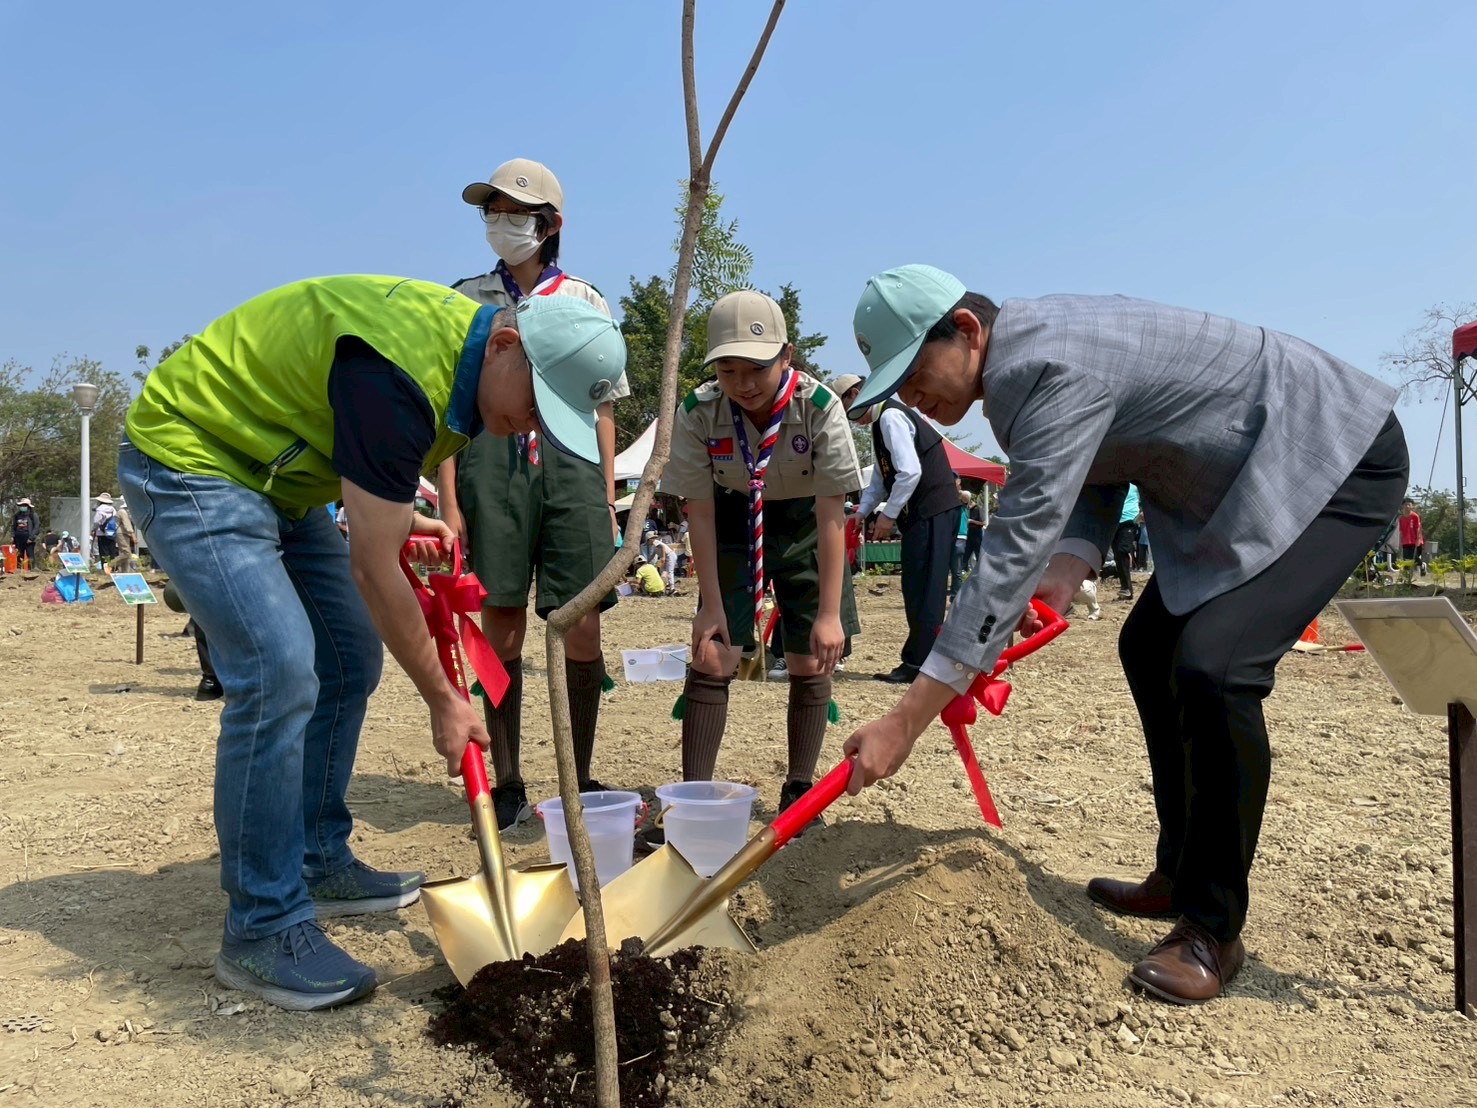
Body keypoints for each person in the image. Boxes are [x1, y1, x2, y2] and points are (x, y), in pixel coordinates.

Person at [841, 264, 1406, 1005]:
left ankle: (1212, 927)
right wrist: (1068, 568)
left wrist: (903, 721)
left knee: (1215, 669)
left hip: (1336, 457)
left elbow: (1009, 549)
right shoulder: (1033, 354)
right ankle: (1178, 872)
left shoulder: (1036, 366)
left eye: (915, 374)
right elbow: (1104, 460)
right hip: (1249, 477)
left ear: (968, 330)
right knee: (1148, 647)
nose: (914, 399)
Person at [119, 274, 625, 1012]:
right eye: (535, 404)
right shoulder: (402, 378)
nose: (530, 426)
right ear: (508, 346)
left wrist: (392, 515)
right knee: (280, 669)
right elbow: (372, 566)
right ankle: (261, 927)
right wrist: (446, 701)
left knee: (348, 658)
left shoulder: (468, 361)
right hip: (195, 457)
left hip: (281, 479)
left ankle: (318, 856)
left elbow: (371, 502)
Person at [435, 158, 627, 832]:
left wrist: (606, 496)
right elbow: (453, 411)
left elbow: (604, 407)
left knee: (580, 620)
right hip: (491, 463)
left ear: (550, 224)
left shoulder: (584, 301)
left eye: (515, 212)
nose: (501, 223)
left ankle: (578, 769)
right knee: (504, 618)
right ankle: (509, 771)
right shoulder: (462, 298)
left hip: (571, 465)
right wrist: (451, 503)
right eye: (491, 210)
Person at [659, 290, 861, 814]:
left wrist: (830, 614)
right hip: (730, 517)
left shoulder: (819, 408)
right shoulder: (699, 411)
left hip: (806, 525)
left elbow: (832, 512)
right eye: (728, 370)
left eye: (757, 367)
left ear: (786, 357)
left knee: (811, 657)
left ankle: (798, 787)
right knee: (711, 650)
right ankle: (693, 796)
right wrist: (709, 602)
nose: (743, 384)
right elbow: (697, 510)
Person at [831, 372, 961, 684]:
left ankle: (921, 665)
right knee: (915, 586)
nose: (850, 420)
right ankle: (919, 661)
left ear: (858, 394)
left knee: (925, 588)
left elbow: (909, 472)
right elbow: (881, 477)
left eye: (846, 408)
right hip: (923, 513)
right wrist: (862, 512)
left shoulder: (890, 417)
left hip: (933, 509)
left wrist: (887, 516)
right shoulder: (880, 424)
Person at [1111, 483, 1142, 600]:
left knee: (1123, 550)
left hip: (1130, 521)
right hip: (1114, 522)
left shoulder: (1136, 485)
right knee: (1117, 555)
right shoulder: (1116, 483)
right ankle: (1125, 588)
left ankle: (1128, 589)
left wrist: (1143, 512)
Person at [950, 487, 972, 599]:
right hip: (948, 539)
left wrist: (955, 490)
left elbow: (966, 495)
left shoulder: (963, 505)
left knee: (956, 571)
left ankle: (955, 596)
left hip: (959, 539)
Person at [1397, 498, 1426, 577]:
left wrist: (1418, 539)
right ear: (1402, 506)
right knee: (1406, 559)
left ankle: (1422, 565)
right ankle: (1407, 576)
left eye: (1409, 504)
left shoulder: (1415, 516)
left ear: (1412, 506)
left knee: (1414, 557)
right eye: (1405, 504)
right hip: (1406, 541)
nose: (1407, 506)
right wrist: (1400, 541)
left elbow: (1418, 528)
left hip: (1415, 540)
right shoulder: (1401, 518)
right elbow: (1401, 531)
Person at [10, 498, 40, 570]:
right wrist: (12, 536)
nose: (22, 507)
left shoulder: (33, 515)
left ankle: (32, 569)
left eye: (24, 505)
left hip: (29, 538)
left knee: (30, 555)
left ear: (28, 506)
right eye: (21, 505)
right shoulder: (17, 515)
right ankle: (20, 569)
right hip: (18, 538)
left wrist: (31, 538)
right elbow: (13, 526)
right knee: (19, 555)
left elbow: (37, 527)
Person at [111, 498, 140, 572]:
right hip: (121, 534)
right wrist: (133, 536)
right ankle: (110, 564)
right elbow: (127, 525)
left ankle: (124, 571)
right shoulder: (123, 512)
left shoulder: (123, 511)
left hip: (123, 534)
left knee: (126, 554)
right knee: (126, 553)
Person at [963, 489, 987, 573]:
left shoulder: (979, 509)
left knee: (978, 552)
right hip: (969, 532)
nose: (969, 505)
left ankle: (980, 570)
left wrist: (971, 521)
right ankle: (964, 569)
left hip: (977, 533)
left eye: (970, 503)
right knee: (966, 552)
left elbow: (983, 523)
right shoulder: (968, 510)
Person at [92, 492, 119, 564]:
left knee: (103, 551)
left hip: (101, 532)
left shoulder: (100, 509)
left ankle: (105, 567)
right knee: (112, 550)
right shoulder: (113, 509)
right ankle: (113, 567)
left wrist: (93, 529)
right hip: (111, 532)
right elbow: (116, 520)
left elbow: (96, 522)